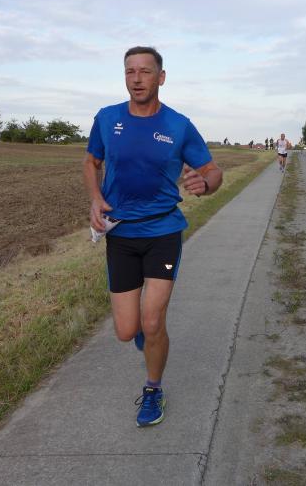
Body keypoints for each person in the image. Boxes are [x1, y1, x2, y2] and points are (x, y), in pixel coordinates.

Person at [83, 46, 222, 428]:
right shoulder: (107, 118)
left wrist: (206, 184)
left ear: (161, 77)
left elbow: (212, 170)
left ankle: (152, 389)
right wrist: (95, 198)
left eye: (145, 71)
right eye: (130, 71)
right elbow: (91, 161)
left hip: (163, 231)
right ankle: (145, 336)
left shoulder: (178, 125)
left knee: (153, 320)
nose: (137, 78)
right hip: (120, 234)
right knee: (126, 331)